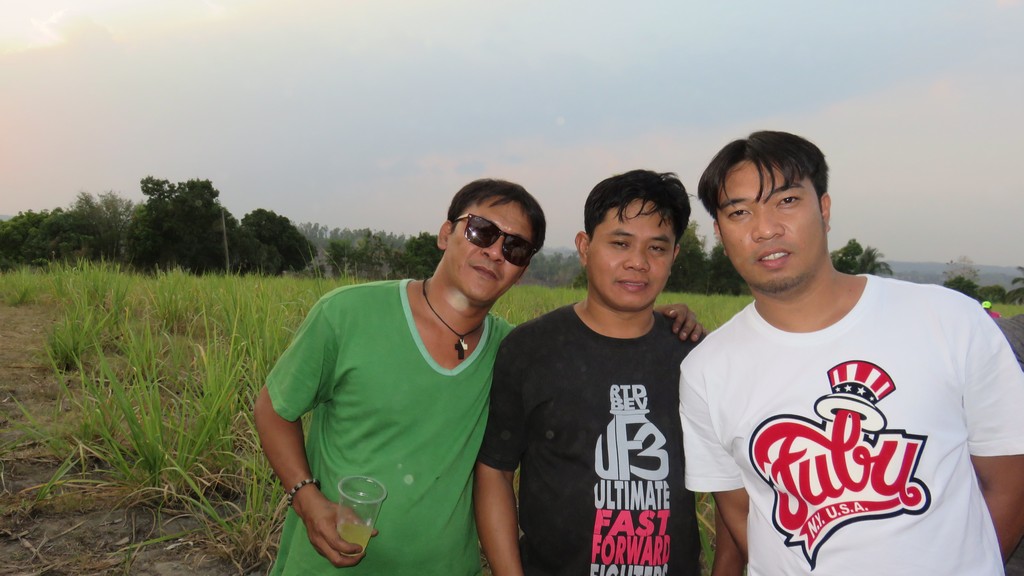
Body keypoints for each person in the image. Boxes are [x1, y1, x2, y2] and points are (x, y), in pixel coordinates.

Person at [253, 178, 705, 575]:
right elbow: (273, 409)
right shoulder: (347, 314)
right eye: (481, 231)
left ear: (522, 269)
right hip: (326, 565)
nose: (494, 252)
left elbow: (595, 343)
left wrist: (658, 322)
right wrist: (307, 499)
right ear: (446, 232)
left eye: (515, 247)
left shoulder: (512, 350)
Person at [679, 130, 1024, 575]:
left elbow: (1009, 481)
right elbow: (742, 513)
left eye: (786, 201)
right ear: (720, 233)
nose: (765, 229)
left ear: (824, 209)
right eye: (740, 212)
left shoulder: (950, 320)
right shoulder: (706, 370)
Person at [474, 170, 741, 576]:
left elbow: (731, 483)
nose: (638, 262)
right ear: (585, 247)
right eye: (620, 243)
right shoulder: (530, 350)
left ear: (674, 257)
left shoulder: (697, 357)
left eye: (657, 247)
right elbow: (495, 470)